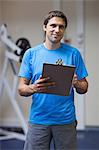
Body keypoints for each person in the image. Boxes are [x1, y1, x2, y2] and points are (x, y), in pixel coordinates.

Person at [18, 10, 88, 150]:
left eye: (61, 27)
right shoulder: (31, 54)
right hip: (39, 119)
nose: (57, 30)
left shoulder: (73, 54)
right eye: (53, 26)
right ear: (45, 27)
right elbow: (21, 88)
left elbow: (84, 87)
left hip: (65, 120)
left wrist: (76, 83)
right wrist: (34, 87)